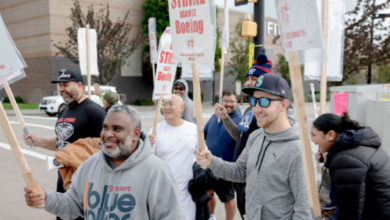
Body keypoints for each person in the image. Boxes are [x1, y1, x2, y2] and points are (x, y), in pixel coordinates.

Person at [24, 105, 185, 219]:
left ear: (135, 134)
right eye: (105, 127)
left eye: (116, 129)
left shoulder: (156, 171)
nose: (107, 134)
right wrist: (45, 199)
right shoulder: (90, 164)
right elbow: (72, 204)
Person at [195, 73, 312, 219]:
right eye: (253, 101)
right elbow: (239, 171)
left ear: (283, 105)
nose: (256, 109)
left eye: (264, 101)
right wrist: (211, 161)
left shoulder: (298, 151)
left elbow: (305, 211)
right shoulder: (256, 136)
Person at [23, 69, 106, 220]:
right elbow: (63, 141)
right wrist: (38, 141)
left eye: (65, 85)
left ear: (79, 85)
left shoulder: (94, 112)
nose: (61, 89)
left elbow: (108, 146)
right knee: (62, 216)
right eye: (60, 85)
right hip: (63, 178)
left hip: (84, 181)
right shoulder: (65, 110)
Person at [214, 53, 272, 219]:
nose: (248, 81)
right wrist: (225, 118)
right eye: (248, 78)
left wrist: (253, 180)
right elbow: (238, 136)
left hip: (252, 179)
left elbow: (266, 147)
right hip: (241, 175)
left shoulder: (265, 111)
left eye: (254, 78)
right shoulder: (250, 108)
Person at [311, 112, 390, 220]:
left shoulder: (345, 160)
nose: (312, 140)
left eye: (314, 135)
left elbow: (349, 213)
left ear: (330, 135)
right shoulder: (357, 146)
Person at [148, 94, 198, 220]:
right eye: (164, 104)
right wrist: (148, 146)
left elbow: (203, 157)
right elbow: (146, 162)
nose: (166, 107)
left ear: (182, 107)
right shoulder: (154, 131)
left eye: (171, 103)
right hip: (163, 192)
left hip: (187, 193)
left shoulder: (193, 129)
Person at [204, 89, 242, 220]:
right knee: (208, 192)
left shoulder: (239, 119)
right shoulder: (215, 116)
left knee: (228, 198)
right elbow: (204, 131)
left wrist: (226, 118)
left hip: (226, 165)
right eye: (225, 100)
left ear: (237, 102)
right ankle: (211, 216)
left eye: (232, 101)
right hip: (210, 163)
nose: (228, 104)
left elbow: (239, 137)